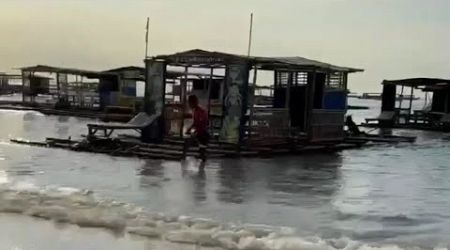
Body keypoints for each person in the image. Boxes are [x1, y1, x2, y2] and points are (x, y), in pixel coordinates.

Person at [186, 95, 209, 161]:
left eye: (189, 103)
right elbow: (196, 123)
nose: (189, 105)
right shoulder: (196, 111)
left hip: (203, 132)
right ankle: (202, 155)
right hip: (200, 132)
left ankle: (202, 155)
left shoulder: (200, 111)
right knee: (201, 145)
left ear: (193, 103)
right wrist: (191, 129)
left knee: (199, 143)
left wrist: (192, 130)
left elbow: (199, 123)